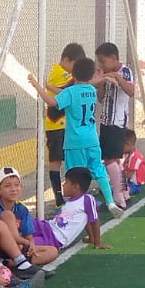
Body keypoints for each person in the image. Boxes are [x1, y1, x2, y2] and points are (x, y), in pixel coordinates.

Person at [28, 57, 122, 215]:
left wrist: (37, 85)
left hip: (74, 142)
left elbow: (53, 102)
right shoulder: (91, 90)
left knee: (75, 176)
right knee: (99, 170)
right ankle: (111, 202)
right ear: (90, 74)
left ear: (73, 74)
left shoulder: (70, 92)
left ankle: (77, 208)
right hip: (92, 140)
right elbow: (69, 93)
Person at [0, 167, 60, 266]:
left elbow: (29, 237)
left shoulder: (22, 209)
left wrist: (31, 246)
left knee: (52, 251)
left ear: (21, 187)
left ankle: (11, 263)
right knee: (8, 216)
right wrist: (24, 242)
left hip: (16, 249)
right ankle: (17, 263)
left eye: (16, 185)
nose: (13, 189)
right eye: (7, 186)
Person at [43, 43, 86, 206]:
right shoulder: (59, 72)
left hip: (66, 125)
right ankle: (59, 198)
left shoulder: (68, 74)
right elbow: (67, 92)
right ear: (67, 60)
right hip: (56, 125)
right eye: (75, 65)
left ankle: (74, 195)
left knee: (70, 159)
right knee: (56, 161)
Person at [94, 41, 139, 179]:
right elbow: (101, 99)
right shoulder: (105, 73)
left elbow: (131, 91)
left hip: (117, 122)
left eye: (103, 61)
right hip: (105, 121)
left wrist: (117, 78)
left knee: (111, 159)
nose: (101, 65)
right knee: (108, 157)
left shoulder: (125, 71)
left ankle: (119, 185)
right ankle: (117, 184)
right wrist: (100, 83)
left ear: (113, 58)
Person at [50, 167, 111, 252]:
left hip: (53, 235)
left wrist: (97, 243)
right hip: (49, 228)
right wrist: (91, 238)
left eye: (66, 182)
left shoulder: (87, 199)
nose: (63, 185)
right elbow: (85, 219)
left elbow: (94, 221)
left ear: (75, 187)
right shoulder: (69, 203)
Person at [122, 133, 145, 197]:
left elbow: (129, 175)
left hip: (133, 185)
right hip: (129, 182)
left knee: (119, 190)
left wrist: (118, 177)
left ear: (127, 144)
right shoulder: (130, 155)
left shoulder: (135, 157)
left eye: (120, 146)